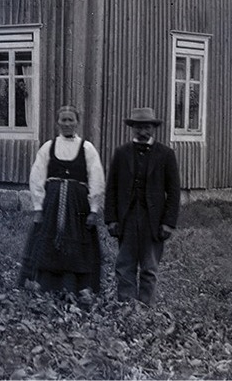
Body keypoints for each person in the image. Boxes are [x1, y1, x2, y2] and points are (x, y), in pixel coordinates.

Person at [18, 105, 105, 294]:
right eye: (63, 120)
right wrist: (38, 207)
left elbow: (96, 178)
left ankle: (78, 287)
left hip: (78, 207)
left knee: (77, 243)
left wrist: (93, 209)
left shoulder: (87, 148)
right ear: (57, 122)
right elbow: (37, 177)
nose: (67, 124)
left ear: (77, 123)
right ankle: (44, 285)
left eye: (70, 120)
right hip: (52, 206)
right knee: (47, 242)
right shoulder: (48, 147)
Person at [104, 107, 181, 306]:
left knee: (149, 267)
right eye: (138, 127)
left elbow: (173, 191)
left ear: (153, 128)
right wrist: (111, 219)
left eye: (146, 127)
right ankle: (128, 308)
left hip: (153, 220)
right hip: (127, 218)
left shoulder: (165, 154)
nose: (142, 132)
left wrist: (168, 223)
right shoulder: (121, 153)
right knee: (125, 265)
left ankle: (146, 308)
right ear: (132, 128)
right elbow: (111, 187)